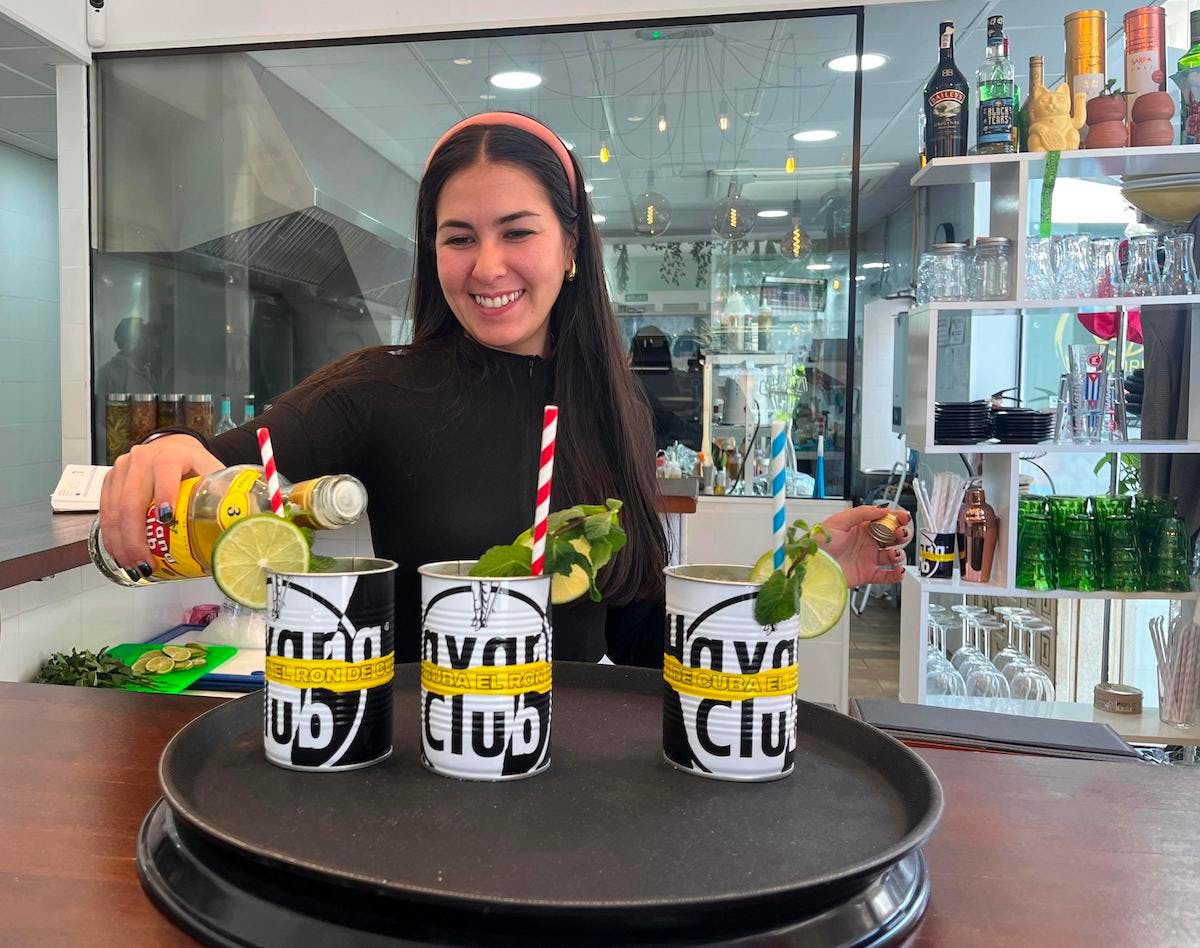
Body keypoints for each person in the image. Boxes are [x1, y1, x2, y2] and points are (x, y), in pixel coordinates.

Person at [97, 112, 912, 665]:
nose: (487, 268)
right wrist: (168, 454)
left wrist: (798, 572)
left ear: (568, 248)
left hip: (576, 798)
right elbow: (212, 476)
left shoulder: (616, 404)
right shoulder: (377, 389)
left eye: (516, 232)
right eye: (459, 239)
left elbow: (637, 636)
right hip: (423, 781)